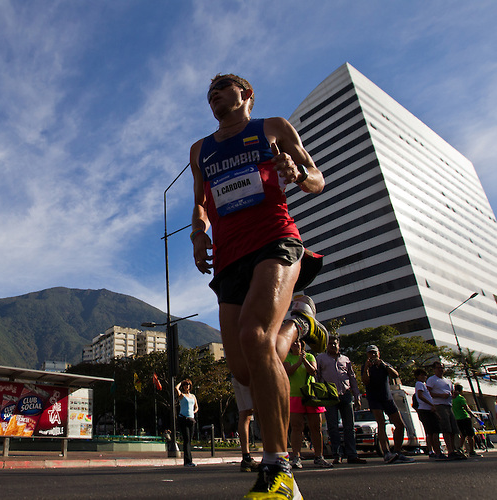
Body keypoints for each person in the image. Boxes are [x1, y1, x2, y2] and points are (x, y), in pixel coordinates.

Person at [190, 73, 327, 499]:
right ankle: (299, 325)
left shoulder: (272, 127)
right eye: (209, 93)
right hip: (229, 257)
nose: (213, 96)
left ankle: (278, 467)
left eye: (222, 89)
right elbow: (199, 200)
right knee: (245, 368)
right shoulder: (200, 150)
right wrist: (198, 233)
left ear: (246, 95)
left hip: (276, 240)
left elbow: (316, 178)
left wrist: (298, 172)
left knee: (254, 334)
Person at [316, 336, 366, 464]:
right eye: (330, 344)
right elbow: (317, 377)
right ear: (326, 346)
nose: (333, 346)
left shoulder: (345, 359)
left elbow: (352, 377)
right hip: (329, 396)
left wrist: (357, 396)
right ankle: (337, 454)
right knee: (332, 427)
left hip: (345, 394)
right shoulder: (321, 358)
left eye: (335, 344)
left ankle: (352, 454)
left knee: (349, 426)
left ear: (339, 345)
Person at [361, 345, 414, 464]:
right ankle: (386, 452)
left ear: (379, 353)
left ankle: (397, 451)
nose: (373, 355)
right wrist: (366, 368)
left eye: (374, 353)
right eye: (370, 353)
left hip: (387, 397)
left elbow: (395, 375)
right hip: (374, 398)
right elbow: (365, 381)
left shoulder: (384, 365)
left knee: (399, 424)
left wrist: (384, 365)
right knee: (381, 423)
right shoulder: (365, 366)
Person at [284, 339, 332, 469]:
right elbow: (288, 371)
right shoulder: (287, 357)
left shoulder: (310, 356)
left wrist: (304, 360)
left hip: (311, 395)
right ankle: (296, 457)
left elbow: (313, 371)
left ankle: (319, 456)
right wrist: (299, 362)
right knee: (296, 427)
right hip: (294, 394)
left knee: (316, 427)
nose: (296, 344)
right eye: (293, 342)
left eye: (298, 342)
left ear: (302, 344)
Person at [427, 361, 466, 460]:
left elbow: (451, 393)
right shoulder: (432, 380)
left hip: (449, 405)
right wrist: (441, 395)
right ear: (434, 369)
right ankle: (450, 451)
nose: (440, 369)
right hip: (439, 405)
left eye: (442, 368)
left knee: (453, 429)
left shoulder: (448, 381)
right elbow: (428, 392)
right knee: (446, 429)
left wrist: (454, 395)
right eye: (438, 368)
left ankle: (454, 449)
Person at [413, 368, 444, 459]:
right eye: (422, 375)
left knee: (430, 432)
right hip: (426, 410)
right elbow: (420, 395)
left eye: (425, 375)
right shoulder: (419, 384)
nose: (424, 377)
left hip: (426, 409)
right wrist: (431, 405)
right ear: (417, 376)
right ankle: (437, 451)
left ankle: (432, 451)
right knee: (434, 431)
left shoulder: (423, 385)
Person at [232, 376, 260, 471]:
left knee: (245, 414)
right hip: (248, 375)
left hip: (236, 375)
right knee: (259, 411)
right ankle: (270, 457)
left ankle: (246, 457)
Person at [452, 384, 481, 457]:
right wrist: (473, 415)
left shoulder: (452, 399)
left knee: (463, 435)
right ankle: (471, 451)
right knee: (470, 435)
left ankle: (460, 449)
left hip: (457, 419)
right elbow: (466, 408)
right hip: (465, 417)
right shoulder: (461, 398)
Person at [176, 379, 199, 467]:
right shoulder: (182, 396)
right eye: (185, 384)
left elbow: (196, 407)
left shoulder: (193, 396)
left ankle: (190, 460)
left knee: (189, 440)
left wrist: (194, 412)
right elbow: (176, 388)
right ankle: (187, 461)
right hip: (183, 418)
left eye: (188, 384)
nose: (187, 386)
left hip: (191, 419)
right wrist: (181, 382)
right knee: (186, 440)